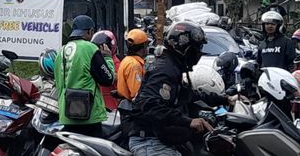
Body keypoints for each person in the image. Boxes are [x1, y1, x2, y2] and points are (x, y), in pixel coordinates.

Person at [128, 22, 228, 156]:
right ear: (185, 47)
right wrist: (188, 121)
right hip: (150, 141)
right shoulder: (165, 69)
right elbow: (149, 104)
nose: (198, 52)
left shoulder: (173, 66)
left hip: (161, 139)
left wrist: (226, 99)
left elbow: (190, 95)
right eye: (197, 47)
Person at [54, 15, 115, 138]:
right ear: (90, 31)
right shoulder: (89, 48)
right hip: (88, 116)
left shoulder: (61, 51)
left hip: (66, 115)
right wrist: (108, 58)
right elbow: (108, 79)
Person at [117, 29, 149, 102]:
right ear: (144, 46)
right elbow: (136, 93)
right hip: (132, 108)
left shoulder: (127, 60)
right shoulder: (134, 65)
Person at [91, 30, 120, 110]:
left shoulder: (115, 62)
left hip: (111, 107)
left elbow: (116, 77)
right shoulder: (95, 61)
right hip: (99, 105)